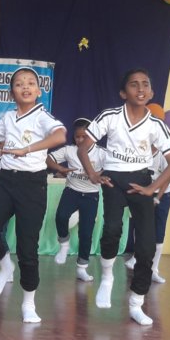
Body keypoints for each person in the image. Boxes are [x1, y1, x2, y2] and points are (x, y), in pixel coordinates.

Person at [79, 69, 170, 325]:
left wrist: (152, 187)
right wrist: (92, 174)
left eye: (145, 84)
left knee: (146, 247)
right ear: (124, 93)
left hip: (142, 181)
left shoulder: (157, 125)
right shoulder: (110, 117)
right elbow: (83, 148)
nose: (140, 88)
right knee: (112, 229)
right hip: (114, 179)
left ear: (151, 92)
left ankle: (137, 302)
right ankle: (107, 277)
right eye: (134, 85)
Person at [0, 67, 66, 323]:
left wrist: (26, 149)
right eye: (18, 84)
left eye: (30, 83)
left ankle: (29, 303)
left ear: (38, 91)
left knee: (28, 247)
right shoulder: (7, 117)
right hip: (6, 181)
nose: (25, 87)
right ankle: (6, 266)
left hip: (32, 185)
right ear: (11, 92)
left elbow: (60, 135)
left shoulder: (42, 116)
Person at [48, 118, 104, 283]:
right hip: (71, 191)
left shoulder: (101, 153)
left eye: (83, 137)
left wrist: (99, 174)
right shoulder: (69, 150)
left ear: (92, 136)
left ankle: (82, 268)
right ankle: (64, 245)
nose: (80, 140)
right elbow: (48, 158)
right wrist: (60, 168)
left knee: (86, 233)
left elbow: (112, 168)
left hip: (91, 196)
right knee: (61, 216)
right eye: (77, 137)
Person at [123, 148, 170, 284]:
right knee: (141, 226)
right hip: (143, 193)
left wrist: (157, 198)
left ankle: (154, 270)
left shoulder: (164, 155)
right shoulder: (139, 152)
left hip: (162, 195)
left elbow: (168, 178)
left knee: (159, 233)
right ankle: (136, 258)